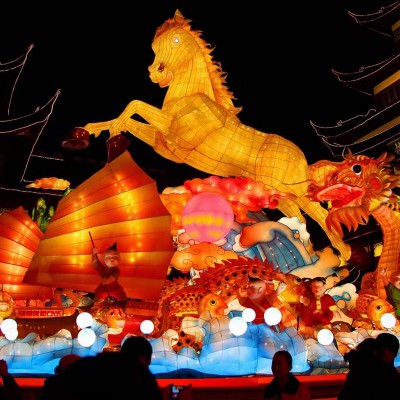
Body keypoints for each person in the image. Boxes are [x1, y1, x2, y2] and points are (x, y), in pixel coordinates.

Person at [92, 242, 128, 309]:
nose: (112, 259)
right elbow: (95, 263)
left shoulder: (116, 269)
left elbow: (113, 277)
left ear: (119, 259)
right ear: (104, 260)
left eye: (115, 257)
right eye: (108, 257)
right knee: (99, 298)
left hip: (115, 289)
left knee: (122, 297)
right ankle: (96, 309)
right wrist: (94, 254)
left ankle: (121, 310)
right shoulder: (103, 269)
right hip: (103, 289)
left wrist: (107, 280)